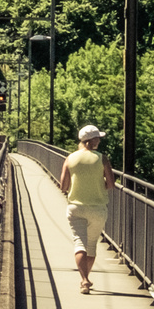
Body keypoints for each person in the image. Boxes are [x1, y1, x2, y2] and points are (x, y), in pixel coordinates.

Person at [58, 124, 116, 294]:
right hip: (98, 208)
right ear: (91, 141)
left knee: (79, 243)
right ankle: (85, 279)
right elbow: (111, 184)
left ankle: (84, 280)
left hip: (76, 207)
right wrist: (98, 185)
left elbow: (63, 186)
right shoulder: (102, 158)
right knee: (91, 246)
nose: (99, 140)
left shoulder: (70, 158)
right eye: (97, 138)